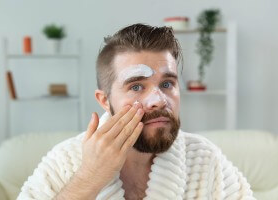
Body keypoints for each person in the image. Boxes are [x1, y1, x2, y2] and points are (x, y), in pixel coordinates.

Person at [18, 23, 255, 200]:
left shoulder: (205, 160)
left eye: (167, 84)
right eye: (136, 86)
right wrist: (89, 177)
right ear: (104, 100)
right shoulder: (65, 161)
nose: (158, 101)